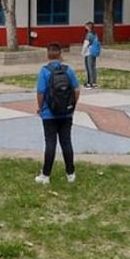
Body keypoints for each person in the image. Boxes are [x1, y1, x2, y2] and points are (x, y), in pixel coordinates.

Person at [35, 43, 81, 185]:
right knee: (66, 142)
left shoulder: (44, 71)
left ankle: (46, 175)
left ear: (47, 54)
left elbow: (40, 92)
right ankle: (70, 173)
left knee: (50, 143)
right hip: (66, 113)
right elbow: (77, 89)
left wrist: (40, 108)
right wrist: (72, 105)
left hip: (49, 113)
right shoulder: (69, 70)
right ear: (61, 54)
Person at [80, 21, 99, 88]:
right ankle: (94, 82)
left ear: (88, 27)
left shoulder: (89, 34)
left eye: (86, 26)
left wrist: (82, 52)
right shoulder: (95, 34)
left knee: (89, 68)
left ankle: (90, 83)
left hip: (88, 53)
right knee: (93, 67)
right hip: (94, 52)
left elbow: (86, 44)